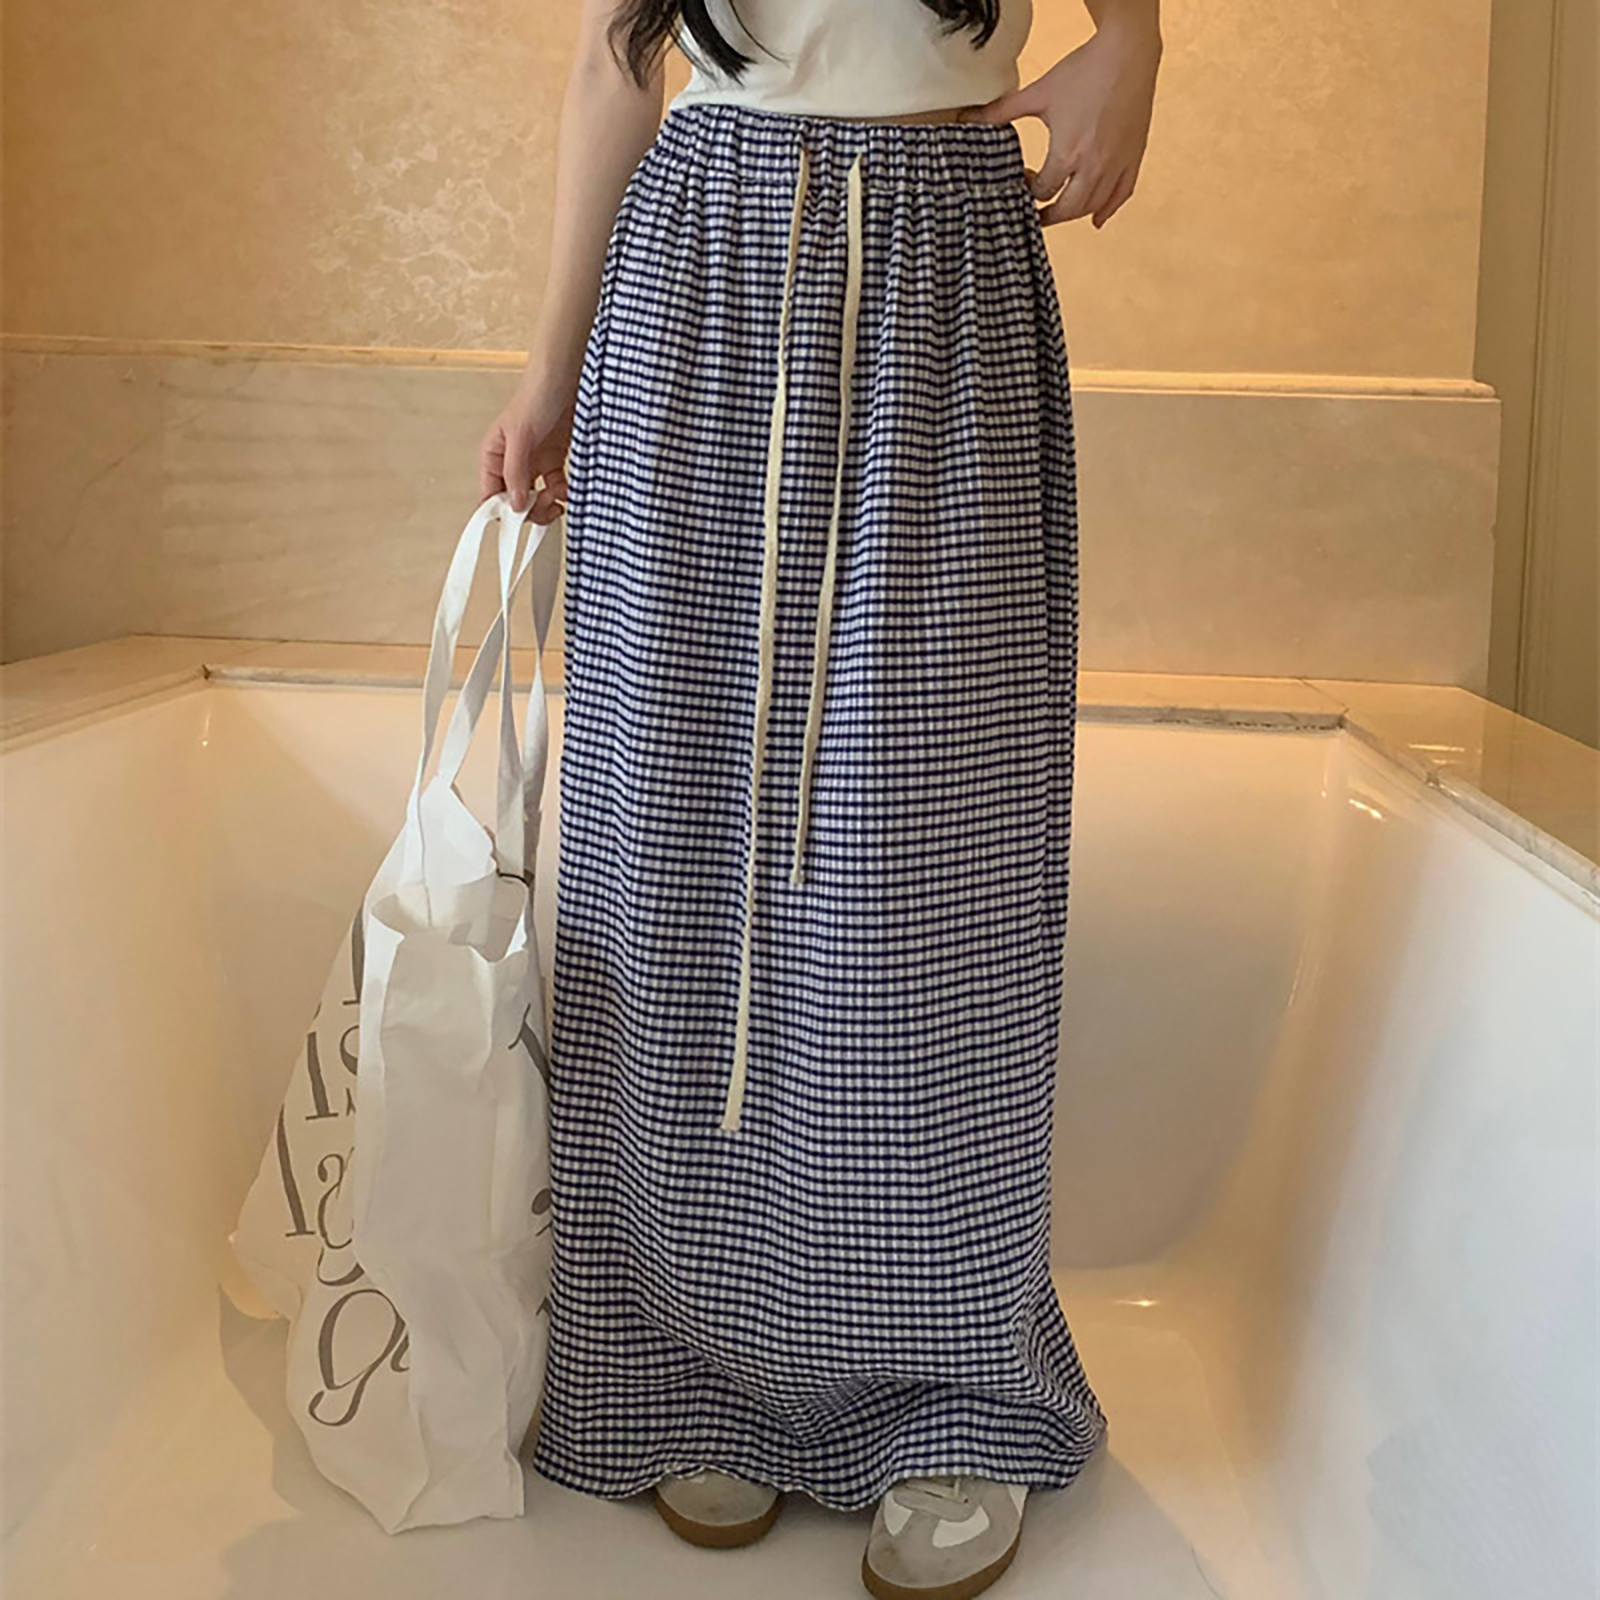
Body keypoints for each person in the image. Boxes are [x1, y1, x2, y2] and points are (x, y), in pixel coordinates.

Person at [480, 3, 1161, 1595]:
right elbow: (613, 62)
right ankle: (687, 1366)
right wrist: (549, 375)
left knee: (924, 886)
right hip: (695, 275)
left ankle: (951, 1396)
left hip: (942, 270)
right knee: (669, 857)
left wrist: (1139, 39)